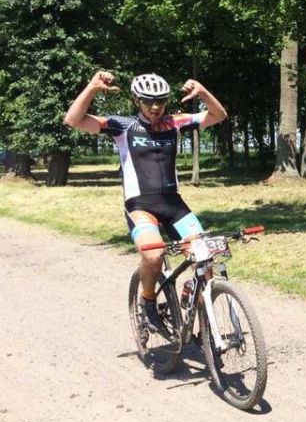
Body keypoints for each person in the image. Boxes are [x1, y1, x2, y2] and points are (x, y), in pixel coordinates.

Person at [64, 70, 228, 334]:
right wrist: (92, 88)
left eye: (160, 101)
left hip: (174, 206)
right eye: (148, 101)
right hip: (140, 206)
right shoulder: (123, 126)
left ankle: (200, 320)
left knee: (205, 259)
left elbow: (218, 115)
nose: (155, 107)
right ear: (136, 101)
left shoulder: (174, 122)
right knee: (153, 255)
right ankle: (148, 300)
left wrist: (203, 92)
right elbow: (73, 120)